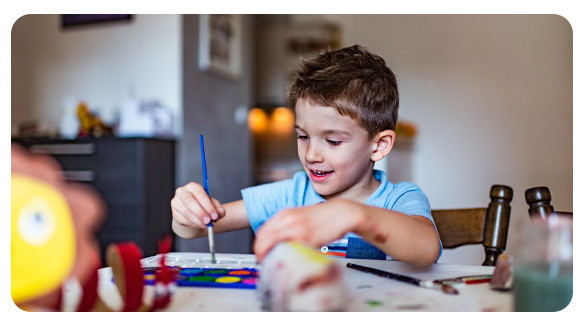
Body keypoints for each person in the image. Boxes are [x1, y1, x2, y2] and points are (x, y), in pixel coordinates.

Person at [171, 44, 442, 267]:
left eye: (333, 141)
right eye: (302, 136)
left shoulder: (400, 199)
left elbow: (427, 248)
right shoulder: (291, 195)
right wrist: (187, 214)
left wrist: (353, 215)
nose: (311, 154)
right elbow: (196, 229)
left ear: (379, 145)